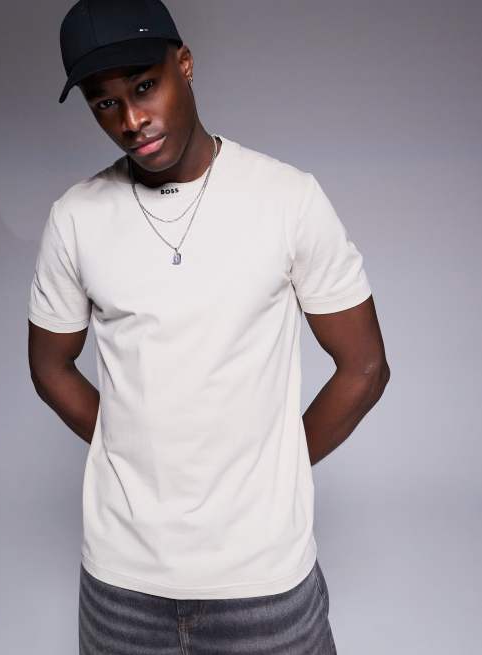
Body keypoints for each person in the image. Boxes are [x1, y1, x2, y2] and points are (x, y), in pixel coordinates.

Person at [27, 1, 390, 653]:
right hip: (122, 584)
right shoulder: (76, 217)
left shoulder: (286, 198)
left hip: (264, 579)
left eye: (144, 86)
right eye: (105, 103)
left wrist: (276, 464)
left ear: (185, 65)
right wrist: (127, 441)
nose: (131, 119)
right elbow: (49, 365)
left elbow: (364, 367)